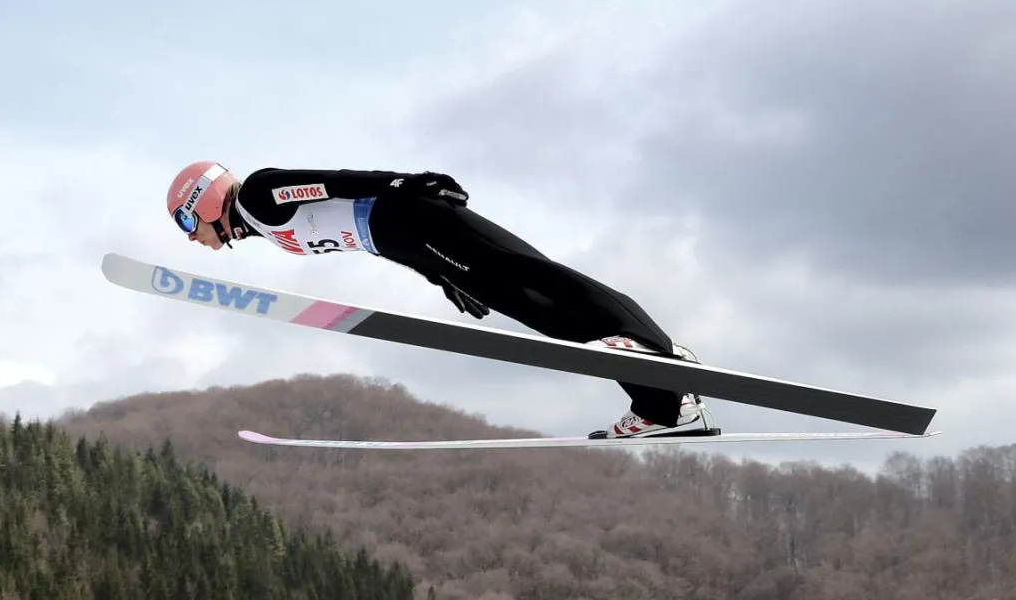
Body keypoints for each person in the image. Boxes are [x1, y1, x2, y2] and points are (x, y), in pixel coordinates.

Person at [165, 161, 719, 440]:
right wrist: (440, 276)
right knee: (539, 293)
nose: (192, 234)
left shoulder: (260, 195)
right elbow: (364, 234)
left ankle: (661, 390)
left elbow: (334, 183)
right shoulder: (261, 225)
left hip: (412, 219)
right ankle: (664, 382)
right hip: (412, 238)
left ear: (205, 200)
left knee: (536, 290)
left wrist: (409, 183)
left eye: (188, 220)